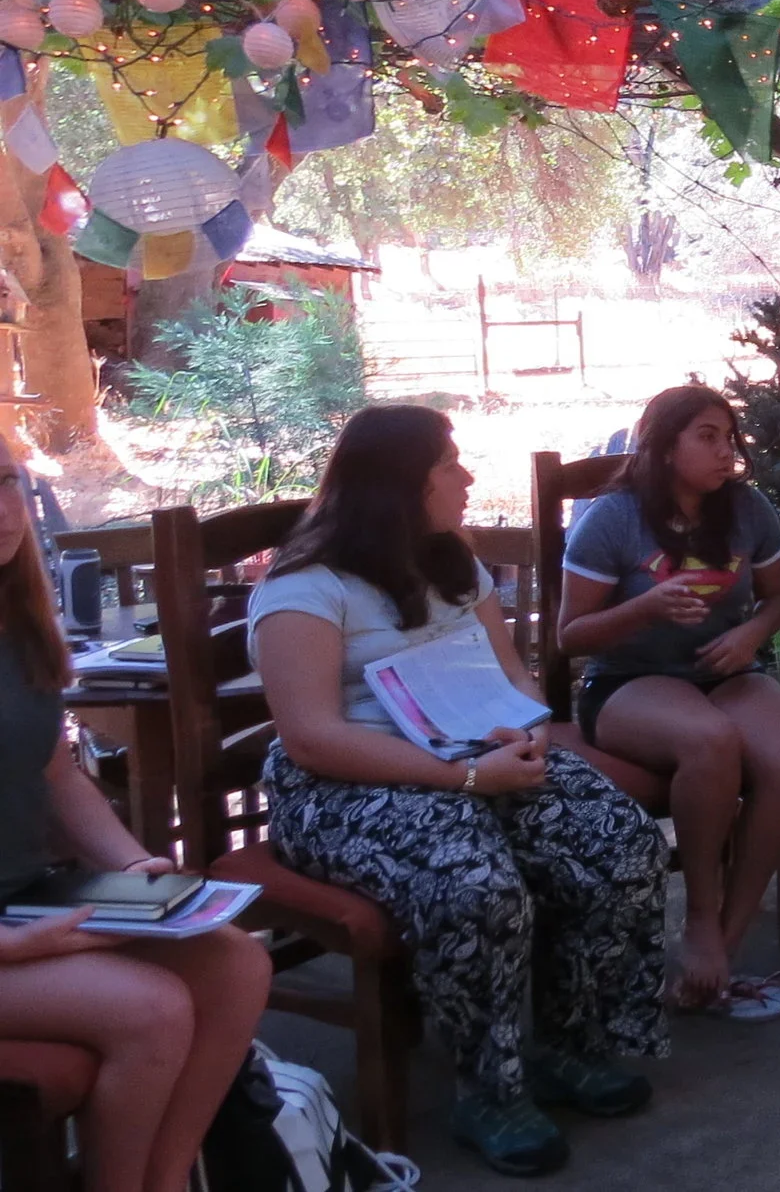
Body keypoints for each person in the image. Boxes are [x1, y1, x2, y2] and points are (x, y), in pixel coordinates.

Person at [252, 405, 669, 1177]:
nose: (468, 476)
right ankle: (490, 1090)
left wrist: (528, 729)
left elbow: (509, 674)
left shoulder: (452, 560)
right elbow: (310, 735)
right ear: (400, 484)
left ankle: (567, 1047)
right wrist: (465, 778)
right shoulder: (305, 587)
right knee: (477, 889)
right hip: (347, 785)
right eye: (451, 463)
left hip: (477, 755)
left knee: (623, 841)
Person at [0, 440, 271, 1192]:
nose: (1, 509)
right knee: (150, 1010)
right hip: (10, 934)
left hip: (30, 900)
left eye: (5, 483)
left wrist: (128, 866)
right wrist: (15, 949)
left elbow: (58, 775)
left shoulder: (15, 621)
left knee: (237, 963)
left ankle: (167, 1178)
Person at [555, 384, 780, 1021]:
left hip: (727, 673)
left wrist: (750, 632)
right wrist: (644, 606)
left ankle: (722, 950)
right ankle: (702, 918)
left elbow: (779, 599)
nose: (726, 451)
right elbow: (568, 637)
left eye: (729, 437)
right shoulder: (612, 517)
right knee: (710, 742)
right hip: (629, 683)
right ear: (665, 446)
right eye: (708, 436)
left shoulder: (747, 509)